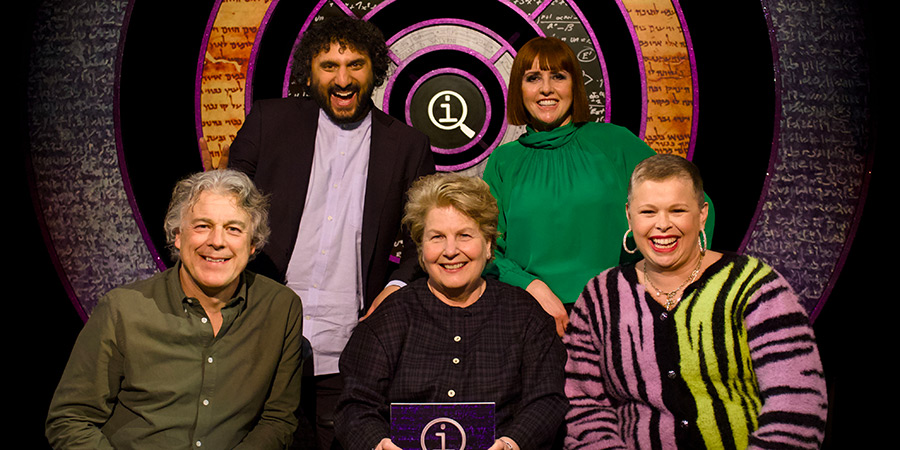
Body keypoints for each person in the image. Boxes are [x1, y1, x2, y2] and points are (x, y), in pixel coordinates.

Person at [208, 15, 436, 449]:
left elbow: (422, 238)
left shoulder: (408, 145)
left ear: (375, 70)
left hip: (349, 344)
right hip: (259, 333)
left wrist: (396, 285)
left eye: (355, 64)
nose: (343, 77)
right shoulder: (269, 121)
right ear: (309, 72)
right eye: (329, 65)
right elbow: (225, 206)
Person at [563, 154, 827, 448]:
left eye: (677, 210)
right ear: (629, 215)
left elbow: (798, 400)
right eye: (648, 212)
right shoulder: (599, 298)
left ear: (702, 214)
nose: (662, 225)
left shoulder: (754, 285)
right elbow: (584, 410)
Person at [45, 170, 304, 449]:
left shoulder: (281, 309)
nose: (217, 241)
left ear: (252, 244)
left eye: (233, 229)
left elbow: (278, 420)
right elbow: (69, 419)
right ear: (178, 236)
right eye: (202, 226)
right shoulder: (123, 309)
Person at [482, 37, 714, 337]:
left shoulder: (615, 143)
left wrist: (670, 284)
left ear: (574, 85)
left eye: (558, 77)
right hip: (533, 321)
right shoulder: (503, 161)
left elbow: (692, 207)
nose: (546, 89)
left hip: (621, 322)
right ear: (519, 89)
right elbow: (484, 249)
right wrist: (535, 289)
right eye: (533, 78)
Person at [334, 173, 567, 450]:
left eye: (464, 236)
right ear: (421, 249)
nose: (450, 250)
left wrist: (511, 443)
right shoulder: (389, 318)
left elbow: (547, 399)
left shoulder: (526, 316)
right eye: (437, 237)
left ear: (489, 244)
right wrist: (378, 443)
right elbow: (355, 404)